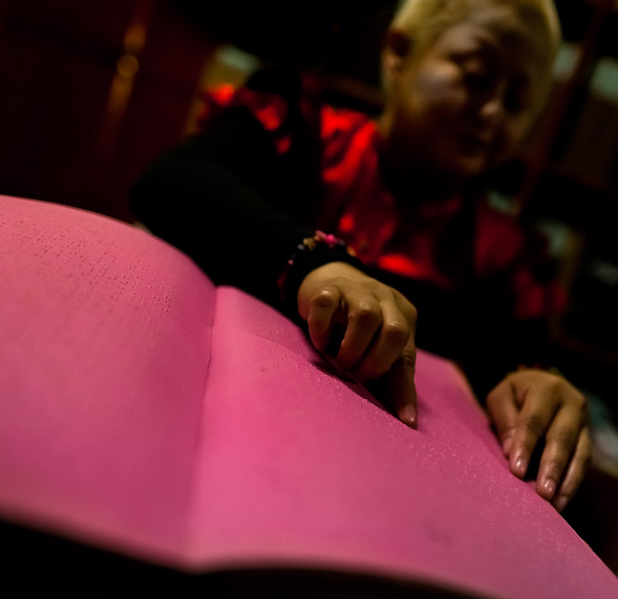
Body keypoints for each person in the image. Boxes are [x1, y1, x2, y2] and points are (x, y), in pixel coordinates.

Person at [131, 0, 589, 512]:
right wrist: (315, 263)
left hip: (383, 499)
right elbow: (172, 181)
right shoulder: (299, 128)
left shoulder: (508, 255)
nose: (491, 112)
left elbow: (520, 354)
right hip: (199, 423)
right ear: (398, 53)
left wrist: (540, 384)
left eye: (518, 100)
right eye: (477, 76)